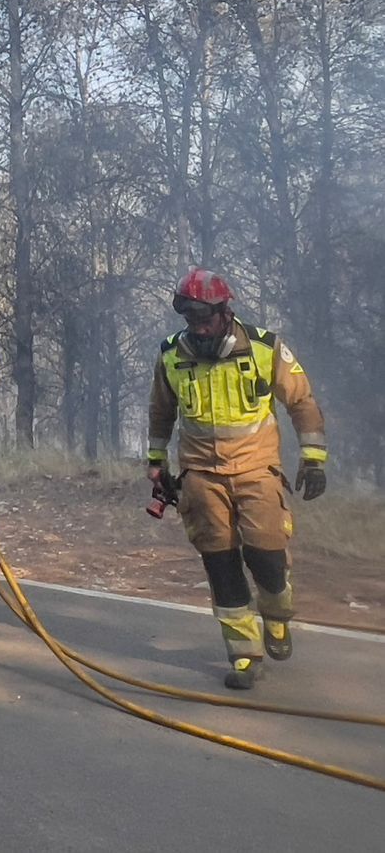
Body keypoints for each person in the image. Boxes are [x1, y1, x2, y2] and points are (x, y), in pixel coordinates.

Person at [148, 268, 327, 690]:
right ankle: (245, 654)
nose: (199, 326)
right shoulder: (173, 354)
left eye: (205, 317)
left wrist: (314, 458)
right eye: (190, 318)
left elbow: (301, 401)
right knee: (220, 563)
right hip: (201, 475)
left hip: (256, 469)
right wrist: (156, 462)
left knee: (267, 556)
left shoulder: (265, 348)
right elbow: (160, 411)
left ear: (225, 311)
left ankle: (278, 616)